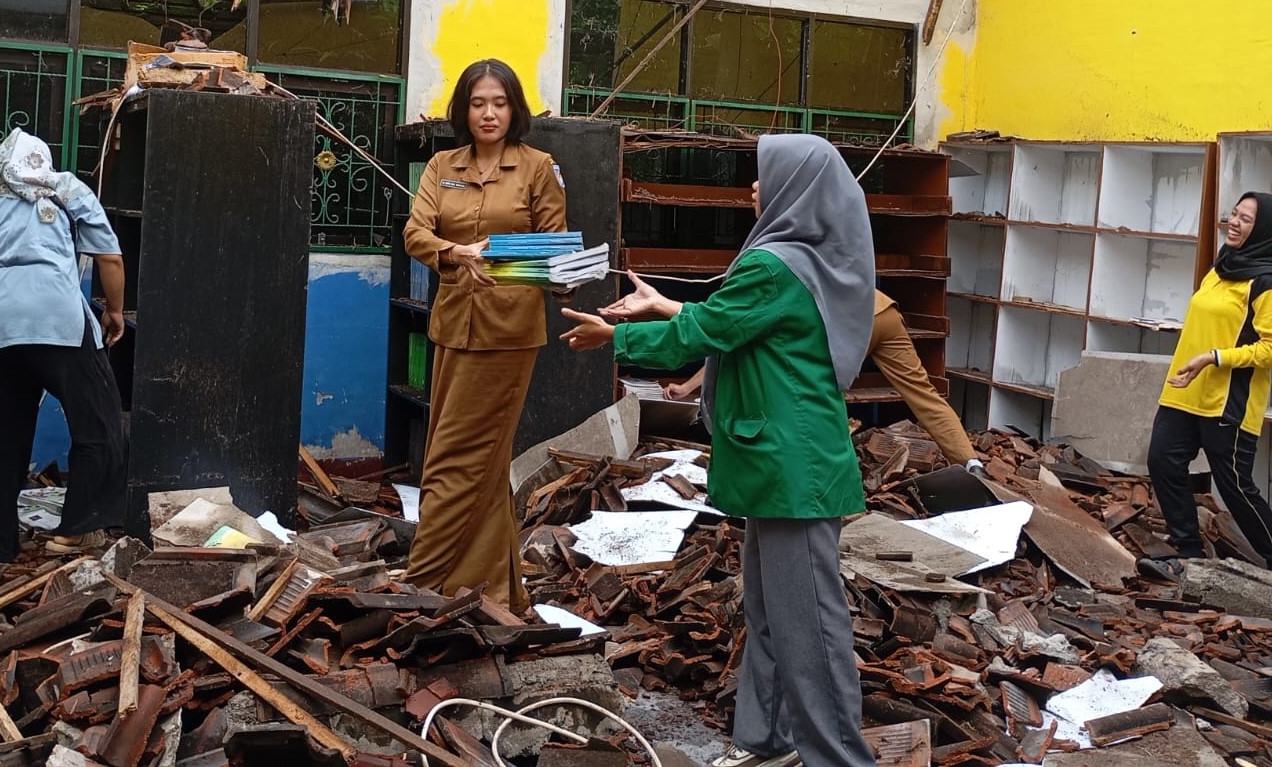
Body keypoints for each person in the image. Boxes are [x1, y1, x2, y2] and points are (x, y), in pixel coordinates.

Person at [561, 134, 876, 767]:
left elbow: (707, 329)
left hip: (792, 470)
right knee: (773, 614)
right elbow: (736, 318)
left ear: (795, 189)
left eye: (765, 177)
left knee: (809, 626)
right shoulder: (807, 260)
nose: (754, 188)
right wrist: (664, 306)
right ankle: (767, 741)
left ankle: (839, 758)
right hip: (786, 465)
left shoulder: (775, 264)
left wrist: (615, 333)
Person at [400, 59, 569, 613]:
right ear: (463, 110)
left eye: (498, 103)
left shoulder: (539, 168)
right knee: (484, 461)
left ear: (514, 108)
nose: (488, 113)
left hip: (509, 333)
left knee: (454, 459)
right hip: (452, 326)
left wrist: (497, 261)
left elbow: (556, 249)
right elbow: (415, 231)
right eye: (478, 103)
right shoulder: (441, 165)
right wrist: (452, 252)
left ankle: (423, 583)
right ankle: (488, 590)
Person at [0, 128, 128, 563]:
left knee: (2, 436)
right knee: (99, 423)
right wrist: (114, 312)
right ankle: (77, 530)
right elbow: (109, 257)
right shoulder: (68, 190)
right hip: (57, 321)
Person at [1140, 192, 1272, 585]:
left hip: (1229, 400)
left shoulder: (1269, 284)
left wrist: (1215, 358)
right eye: (1234, 213)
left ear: (1265, 230)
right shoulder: (1222, 267)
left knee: (1233, 485)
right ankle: (1190, 555)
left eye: (1246, 219)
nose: (1234, 222)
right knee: (1162, 461)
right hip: (1185, 391)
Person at [663, 287, 983, 473]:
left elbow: (737, 342)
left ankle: (820, 479)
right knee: (923, 396)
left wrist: (690, 387)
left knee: (811, 395)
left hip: (845, 321)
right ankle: (970, 463)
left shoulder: (771, 282)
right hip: (882, 309)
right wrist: (689, 387)